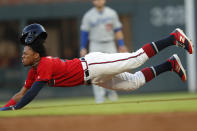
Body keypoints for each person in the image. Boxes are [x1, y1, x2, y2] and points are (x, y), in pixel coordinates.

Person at [0, 23, 194, 111]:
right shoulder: (35, 70)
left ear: (35, 54)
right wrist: (5, 108)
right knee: (132, 84)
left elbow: (31, 94)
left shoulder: (44, 64)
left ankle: (173, 37)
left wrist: (17, 108)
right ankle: (170, 64)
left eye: (25, 53)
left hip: (92, 66)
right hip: (94, 78)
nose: (22, 56)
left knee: (135, 59)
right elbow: (22, 92)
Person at [80, 0, 128, 103]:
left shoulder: (111, 13)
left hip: (109, 43)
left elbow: (117, 30)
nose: (99, 1)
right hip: (95, 43)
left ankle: (112, 92)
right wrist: (83, 47)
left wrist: (121, 45)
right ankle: (99, 96)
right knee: (94, 70)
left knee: (113, 68)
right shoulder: (88, 15)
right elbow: (84, 33)